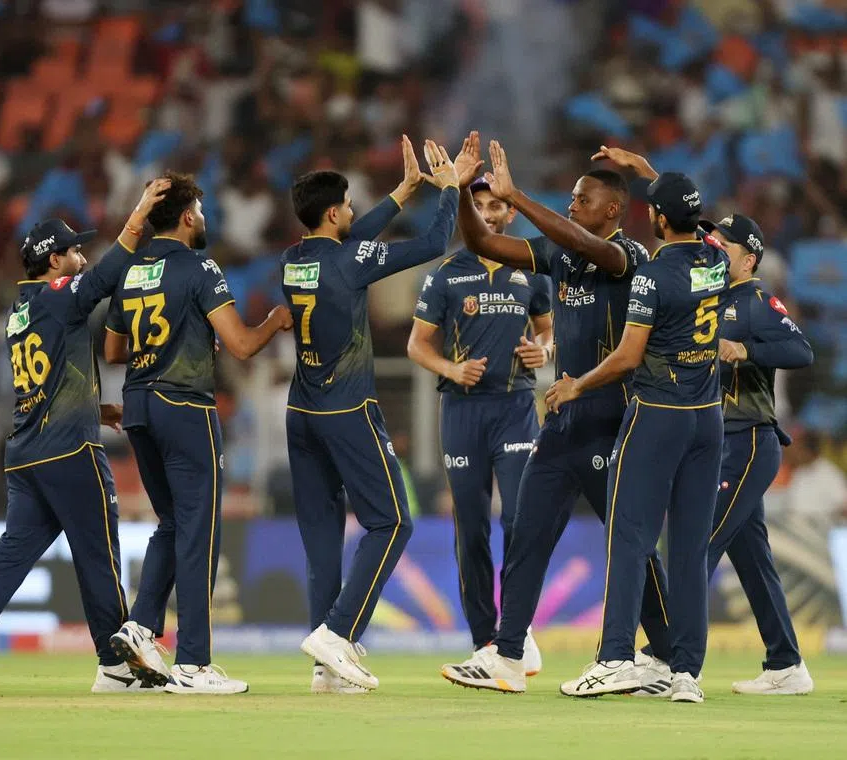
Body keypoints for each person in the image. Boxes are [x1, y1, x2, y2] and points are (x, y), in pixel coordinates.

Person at [0, 180, 172, 695]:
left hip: (26, 451)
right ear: (54, 261)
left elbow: (48, 372)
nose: (81, 255)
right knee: (99, 552)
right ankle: (115, 664)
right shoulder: (59, 298)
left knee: (13, 554)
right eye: (74, 250)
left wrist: (94, 406)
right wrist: (138, 217)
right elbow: (106, 276)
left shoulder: (20, 311)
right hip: (69, 450)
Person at [446, 139, 673, 695]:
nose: (571, 205)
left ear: (613, 210)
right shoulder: (560, 256)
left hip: (613, 418)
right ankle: (508, 655)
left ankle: (667, 654)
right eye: (570, 197)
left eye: (581, 198)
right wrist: (460, 193)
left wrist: (517, 197)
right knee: (526, 533)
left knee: (629, 541)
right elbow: (481, 239)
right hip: (564, 418)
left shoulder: (630, 259)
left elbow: (582, 243)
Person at [281, 136, 463, 693]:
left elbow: (350, 243)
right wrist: (449, 190)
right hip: (346, 408)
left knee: (320, 538)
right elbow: (434, 240)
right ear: (334, 212)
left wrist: (402, 191)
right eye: (351, 207)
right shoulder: (350, 258)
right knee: (393, 522)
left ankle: (325, 668)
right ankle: (338, 634)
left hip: (301, 411)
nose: (357, 214)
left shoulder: (294, 260)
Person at [104, 172, 292, 694]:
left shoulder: (132, 269)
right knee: (199, 533)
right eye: (202, 211)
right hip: (184, 405)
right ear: (188, 217)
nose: (205, 220)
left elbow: (114, 352)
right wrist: (276, 322)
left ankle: (140, 628)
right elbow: (241, 345)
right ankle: (192, 663)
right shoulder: (200, 265)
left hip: (138, 405)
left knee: (171, 524)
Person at [548, 170, 728, 703]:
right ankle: (687, 675)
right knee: (690, 549)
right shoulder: (715, 260)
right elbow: (705, 225)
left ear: (657, 219)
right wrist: (654, 175)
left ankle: (615, 658)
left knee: (629, 537)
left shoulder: (652, 275)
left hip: (658, 414)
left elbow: (627, 357)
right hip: (708, 417)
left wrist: (577, 385)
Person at [407, 175, 553, 681]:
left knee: (518, 519)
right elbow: (417, 345)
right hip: (463, 412)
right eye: (480, 205)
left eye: (497, 206)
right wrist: (450, 370)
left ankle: (518, 632)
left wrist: (546, 349)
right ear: (469, 211)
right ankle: (483, 641)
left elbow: (547, 328)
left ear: (509, 213)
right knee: (471, 528)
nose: (489, 214)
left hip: (515, 406)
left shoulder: (530, 268)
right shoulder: (447, 273)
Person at [700, 213, 815, 695]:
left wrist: (744, 350)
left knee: (697, 543)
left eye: (722, 246)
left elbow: (800, 351)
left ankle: (665, 654)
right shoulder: (703, 298)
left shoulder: (755, 300)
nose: (713, 249)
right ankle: (787, 664)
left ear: (748, 259)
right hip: (717, 440)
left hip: (747, 439)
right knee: (752, 559)